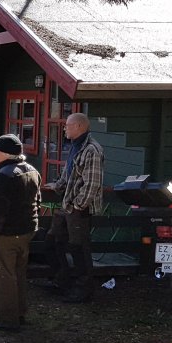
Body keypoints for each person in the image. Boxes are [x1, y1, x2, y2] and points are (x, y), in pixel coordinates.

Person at [45, 112, 105, 303]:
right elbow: (68, 175)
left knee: (79, 249)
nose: (65, 128)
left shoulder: (92, 150)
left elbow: (92, 183)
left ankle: (83, 289)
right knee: (53, 240)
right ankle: (62, 281)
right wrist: (56, 186)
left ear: (79, 127)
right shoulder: (75, 146)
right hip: (67, 205)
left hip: (79, 209)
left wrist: (78, 206)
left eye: (68, 125)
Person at [0, 135, 41, 331]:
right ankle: (19, 314)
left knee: (4, 276)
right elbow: (38, 201)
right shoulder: (32, 171)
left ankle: (8, 320)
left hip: (6, 234)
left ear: (6, 153)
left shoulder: (4, 176)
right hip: (26, 231)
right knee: (18, 273)